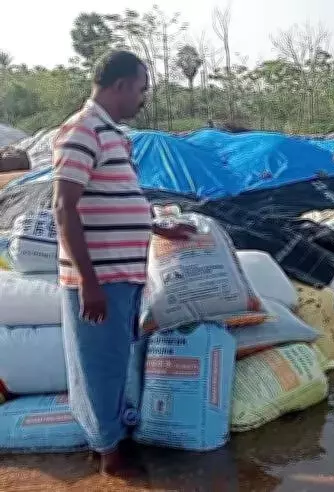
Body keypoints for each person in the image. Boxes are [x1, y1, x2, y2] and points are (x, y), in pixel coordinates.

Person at [52, 50, 194, 477]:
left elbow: (113, 202)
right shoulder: (82, 130)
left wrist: (156, 227)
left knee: (115, 360)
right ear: (119, 86)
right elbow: (64, 208)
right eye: (141, 87)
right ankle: (109, 452)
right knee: (99, 364)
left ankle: (111, 438)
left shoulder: (112, 134)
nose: (143, 96)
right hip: (100, 279)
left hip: (122, 275)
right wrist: (88, 283)